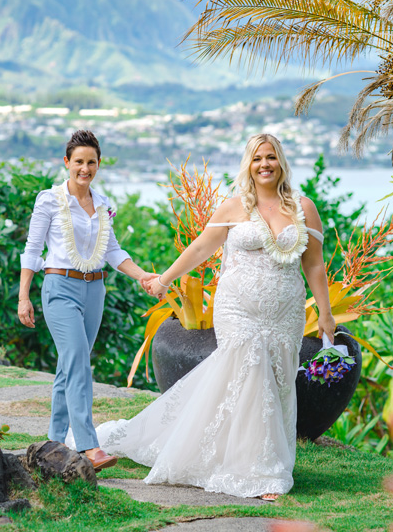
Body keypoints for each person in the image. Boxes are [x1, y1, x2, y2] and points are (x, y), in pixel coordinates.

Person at [86, 133, 336, 500]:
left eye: (270, 157)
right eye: (256, 159)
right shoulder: (233, 207)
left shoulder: (303, 208)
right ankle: (260, 472)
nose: (264, 164)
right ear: (248, 166)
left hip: (284, 312)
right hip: (238, 308)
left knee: (276, 383)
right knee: (251, 374)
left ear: (281, 162)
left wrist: (326, 314)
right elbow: (202, 246)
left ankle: (252, 454)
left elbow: (313, 263)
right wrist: (164, 279)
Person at [17, 129, 157, 472]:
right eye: (78, 161)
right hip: (59, 286)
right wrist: (24, 296)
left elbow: (112, 251)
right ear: (67, 163)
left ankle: (53, 441)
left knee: (70, 366)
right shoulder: (48, 200)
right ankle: (89, 445)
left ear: (98, 164)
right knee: (78, 360)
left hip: (95, 290)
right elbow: (33, 250)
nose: (85, 168)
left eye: (91, 162)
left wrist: (142, 276)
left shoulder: (103, 202)